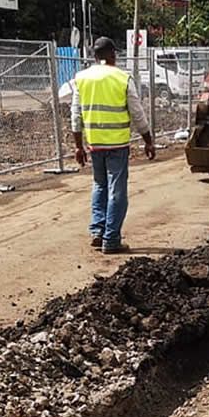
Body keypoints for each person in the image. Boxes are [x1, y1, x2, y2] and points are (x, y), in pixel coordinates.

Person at [71, 37, 156, 255]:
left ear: (94, 56)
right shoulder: (122, 78)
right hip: (117, 144)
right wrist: (148, 140)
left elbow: (76, 115)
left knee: (99, 186)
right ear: (111, 55)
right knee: (117, 190)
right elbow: (137, 113)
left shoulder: (81, 78)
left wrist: (78, 146)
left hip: (94, 143)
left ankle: (98, 232)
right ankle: (111, 239)